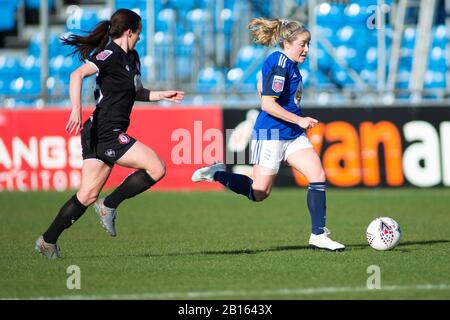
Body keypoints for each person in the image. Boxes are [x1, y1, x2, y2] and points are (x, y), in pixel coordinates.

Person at [35, 8, 184, 259]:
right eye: (138, 33)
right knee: (157, 168)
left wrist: (161, 95)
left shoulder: (132, 57)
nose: (140, 37)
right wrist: (75, 108)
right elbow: (77, 74)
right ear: (128, 31)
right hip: (106, 130)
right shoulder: (109, 54)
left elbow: (137, 92)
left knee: (86, 194)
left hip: (97, 132)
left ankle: (47, 241)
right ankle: (109, 204)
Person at [192, 18, 345, 251]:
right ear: (287, 42)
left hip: (292, 134)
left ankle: (318, 235)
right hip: (270, 133)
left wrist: (294, 121)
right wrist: (300, 120)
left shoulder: (288, 64)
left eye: (309, 44)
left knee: (317, 175)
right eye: (303, 44)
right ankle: (216, 174)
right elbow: (268, 105)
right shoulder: (279, 63)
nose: (307, 49)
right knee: (259, 193)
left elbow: (264, 87)